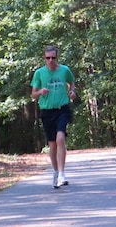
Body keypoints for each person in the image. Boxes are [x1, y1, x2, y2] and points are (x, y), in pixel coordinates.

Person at [31, 45, 77, 189]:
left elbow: (72, 83)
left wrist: (72, 92)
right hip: (47, 111)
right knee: (52, 145)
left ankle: (62, 174)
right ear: (44, 58)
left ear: (57, 57)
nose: (50, 60)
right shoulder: (39, 73)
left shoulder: (64, 70)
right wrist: (40, 92)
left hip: (62, 109)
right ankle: (56, 172)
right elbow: (33, 94)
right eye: (47, 58)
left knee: (60, 139)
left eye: (53, 57)